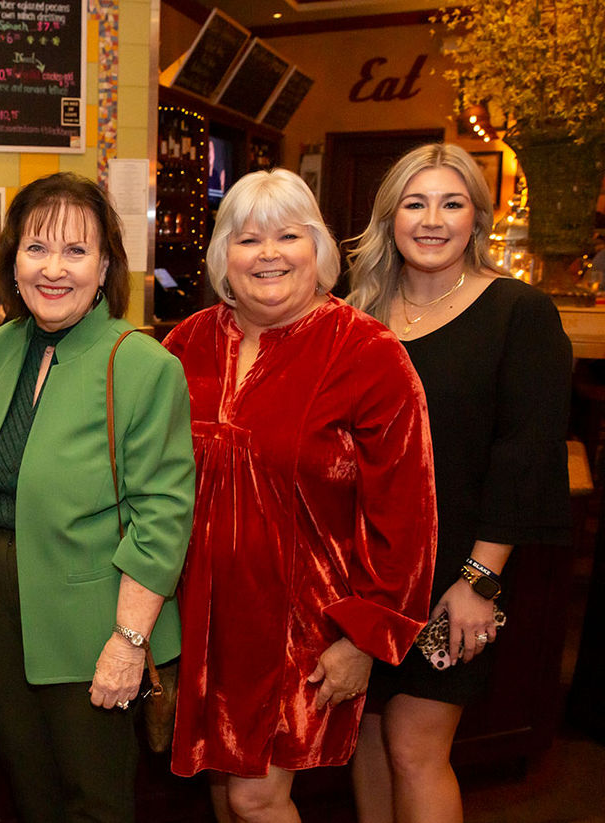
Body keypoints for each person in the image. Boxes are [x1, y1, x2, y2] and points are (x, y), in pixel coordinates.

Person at [161, 168, 437, 823]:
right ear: (224, 254)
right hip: (200, 620)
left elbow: (408, 509)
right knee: (223, 790)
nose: (270, 254)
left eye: (289, 235)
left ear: (318, 248)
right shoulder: (185, 344)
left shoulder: (367, 351)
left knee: (258, 797)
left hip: (304, 629)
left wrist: (367, 636)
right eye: (248, 238)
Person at [347, 143, 572, 823]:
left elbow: (525, 456)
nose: (432, 219)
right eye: (415, 203)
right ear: (389, 218)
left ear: (478, 217)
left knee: (416, 745)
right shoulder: (357, 315)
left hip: (457, 570)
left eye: (452, 203)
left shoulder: (517, 312)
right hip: (363, 569)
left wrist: (479, 579)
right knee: (364, 739)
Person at [0, 172, 195, 823]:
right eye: (37, 248)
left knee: (95, 802)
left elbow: (163, 515)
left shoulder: (142, 363)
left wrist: (129, 639)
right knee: (31, 793)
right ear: (12, 259)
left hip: (95, 624)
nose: (54, 268)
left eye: (76, 251)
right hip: (4, 617)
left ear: (105, 267)